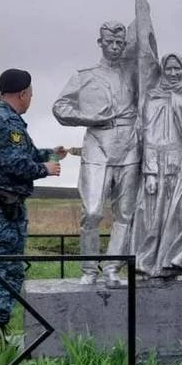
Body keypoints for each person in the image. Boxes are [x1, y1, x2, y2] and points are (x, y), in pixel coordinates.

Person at [0, 68, 66, 342]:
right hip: (3, 207)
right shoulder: (8, 122)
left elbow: (19, 153)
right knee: (5, 269)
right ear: (23, 93)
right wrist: (45, 169)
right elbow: (16, 163)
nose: (31, 100)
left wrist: (51, 154)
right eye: (31, 95)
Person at [52, 20, 139, 287]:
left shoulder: (134, 76)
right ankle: (89, 268)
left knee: (125, 214)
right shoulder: (84, 76)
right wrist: (88, 117)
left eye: (119, 43)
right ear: (100, 43)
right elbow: (60, 107)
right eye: (110, 42)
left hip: (129, 147)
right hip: (97, 145)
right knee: (91, 212)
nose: (114, 47)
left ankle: (113, 268)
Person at [131, 0, 182, 280]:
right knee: (153, 220)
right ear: (163, 69)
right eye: (169, 68)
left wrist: (178, 101)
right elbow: (148, 136)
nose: (173, 73)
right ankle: (149, 266)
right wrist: (150, 171)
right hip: (159, 164)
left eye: (178, 68)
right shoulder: (153, 97)